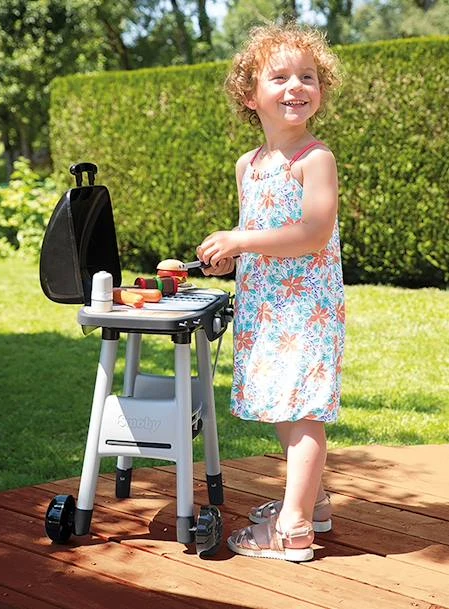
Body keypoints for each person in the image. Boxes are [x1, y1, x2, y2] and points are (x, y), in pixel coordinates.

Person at [197, 22, 345, 562]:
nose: (295, 87)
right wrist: (230, 256)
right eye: (279, 77)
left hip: (307, 309)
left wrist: (241, 239)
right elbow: (261, 236)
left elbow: (312, 233)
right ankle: (315, 502)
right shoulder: (249, 166)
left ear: (320, 90)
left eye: (307, 76)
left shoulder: (315, 159)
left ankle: (295, 529)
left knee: (304, 411)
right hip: (266, 309)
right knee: (283, 404)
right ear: (249, 94)